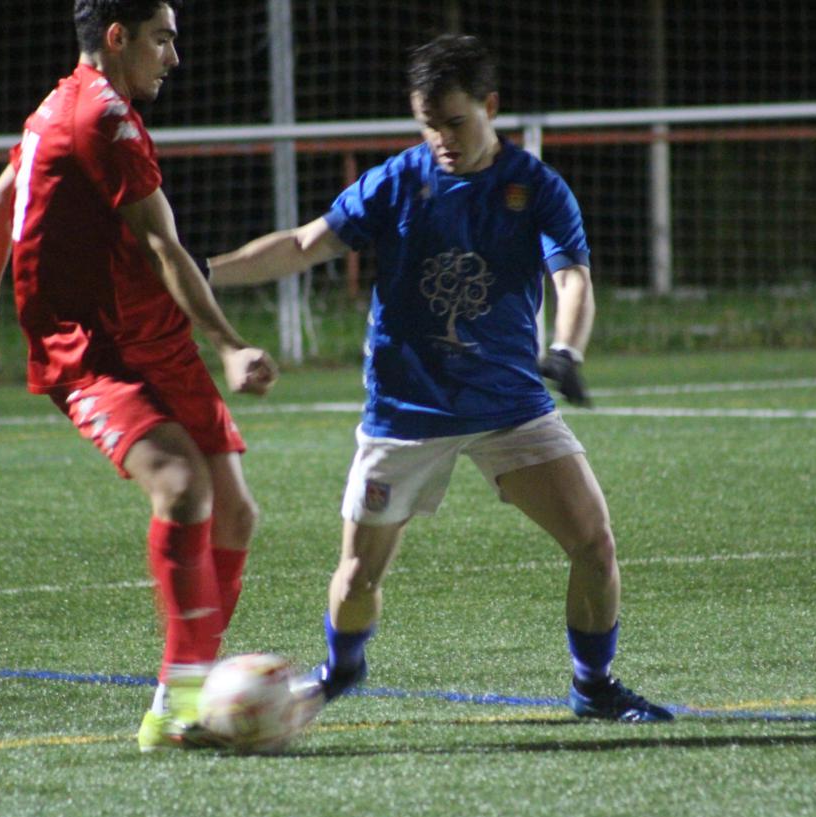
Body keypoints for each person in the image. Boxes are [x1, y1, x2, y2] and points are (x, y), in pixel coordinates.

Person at [209, 34, 671, 723]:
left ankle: (593, 684)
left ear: (491, 106)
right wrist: (202, 272)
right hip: (407, 409)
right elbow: (304, 245)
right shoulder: (396, 182)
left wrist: (566, 350)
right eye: (428, 124)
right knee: (359, 575)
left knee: (594, 542)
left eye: (455, 122)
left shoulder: (535, 188)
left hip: (509, 403)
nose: (442, 139)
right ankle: (341, 669)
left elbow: (573, 279)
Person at [0, 0, 279, 752]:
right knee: (182, 486)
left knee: (235, 515)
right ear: (117, 38)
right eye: (162, 40)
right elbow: (162, 247)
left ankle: (186, 693)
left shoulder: (60, 106)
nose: (174, 58)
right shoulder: (102, 118)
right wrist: (228, 343)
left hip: (154, 336)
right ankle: (179, 708)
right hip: (89, 350)